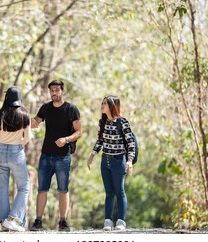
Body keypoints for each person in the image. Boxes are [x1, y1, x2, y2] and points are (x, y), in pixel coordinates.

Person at [30, 80, 82, 232]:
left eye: (57, 90)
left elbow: (79, 132)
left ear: (63, 91)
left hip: (63, 157)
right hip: (46, 155)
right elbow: (35, 122)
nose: (54, 93)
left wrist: (66, 139)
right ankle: (38, 221)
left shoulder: (71, 109)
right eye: (52, 90)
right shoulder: (46, 108)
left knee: (63, 190)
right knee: (42, 189)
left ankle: (63, 221)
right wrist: (21, 117)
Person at [87, 95, 135, 231]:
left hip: (119, 161)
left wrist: (130, 160)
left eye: (105, 104)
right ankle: (108, 221)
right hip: (105, 160)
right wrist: (92, 155)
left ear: (112, 106)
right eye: (102, 103)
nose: (102, 106)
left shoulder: (122, 122)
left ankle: (121, 221)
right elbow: (100, 141)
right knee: (109, 192)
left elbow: (130, 142)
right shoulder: (103, 122)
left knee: (119, 191)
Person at [0, 86, 31, 232]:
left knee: (2, 188)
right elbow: (28, 138)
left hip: (0, 152)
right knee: (24, 187)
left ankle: (3, 222)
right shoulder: (24, 115)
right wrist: (19, 143)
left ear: (6, 99)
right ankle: (11, 219)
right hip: (16, 152)